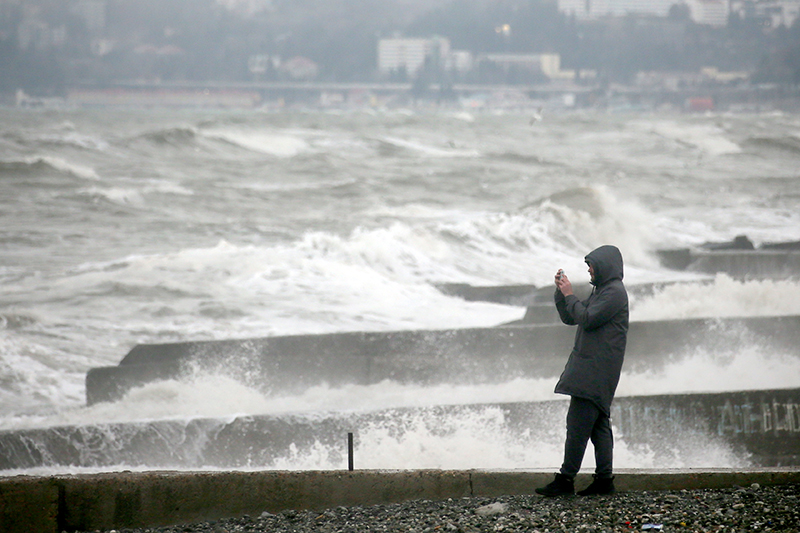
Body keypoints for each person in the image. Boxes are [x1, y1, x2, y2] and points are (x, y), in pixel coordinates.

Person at [535, 245, 629, 497]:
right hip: (595, 367)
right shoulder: (604, 292)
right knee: (598, 426)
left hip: (595, 369)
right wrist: (561, 294)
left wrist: (570, 295)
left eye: (592, 265)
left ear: (605, 266)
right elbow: (572, 317)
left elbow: (587, 318)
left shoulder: (614, 293)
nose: (589, 269)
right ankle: (604, 481)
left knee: (577, 425)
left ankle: (565, 480)